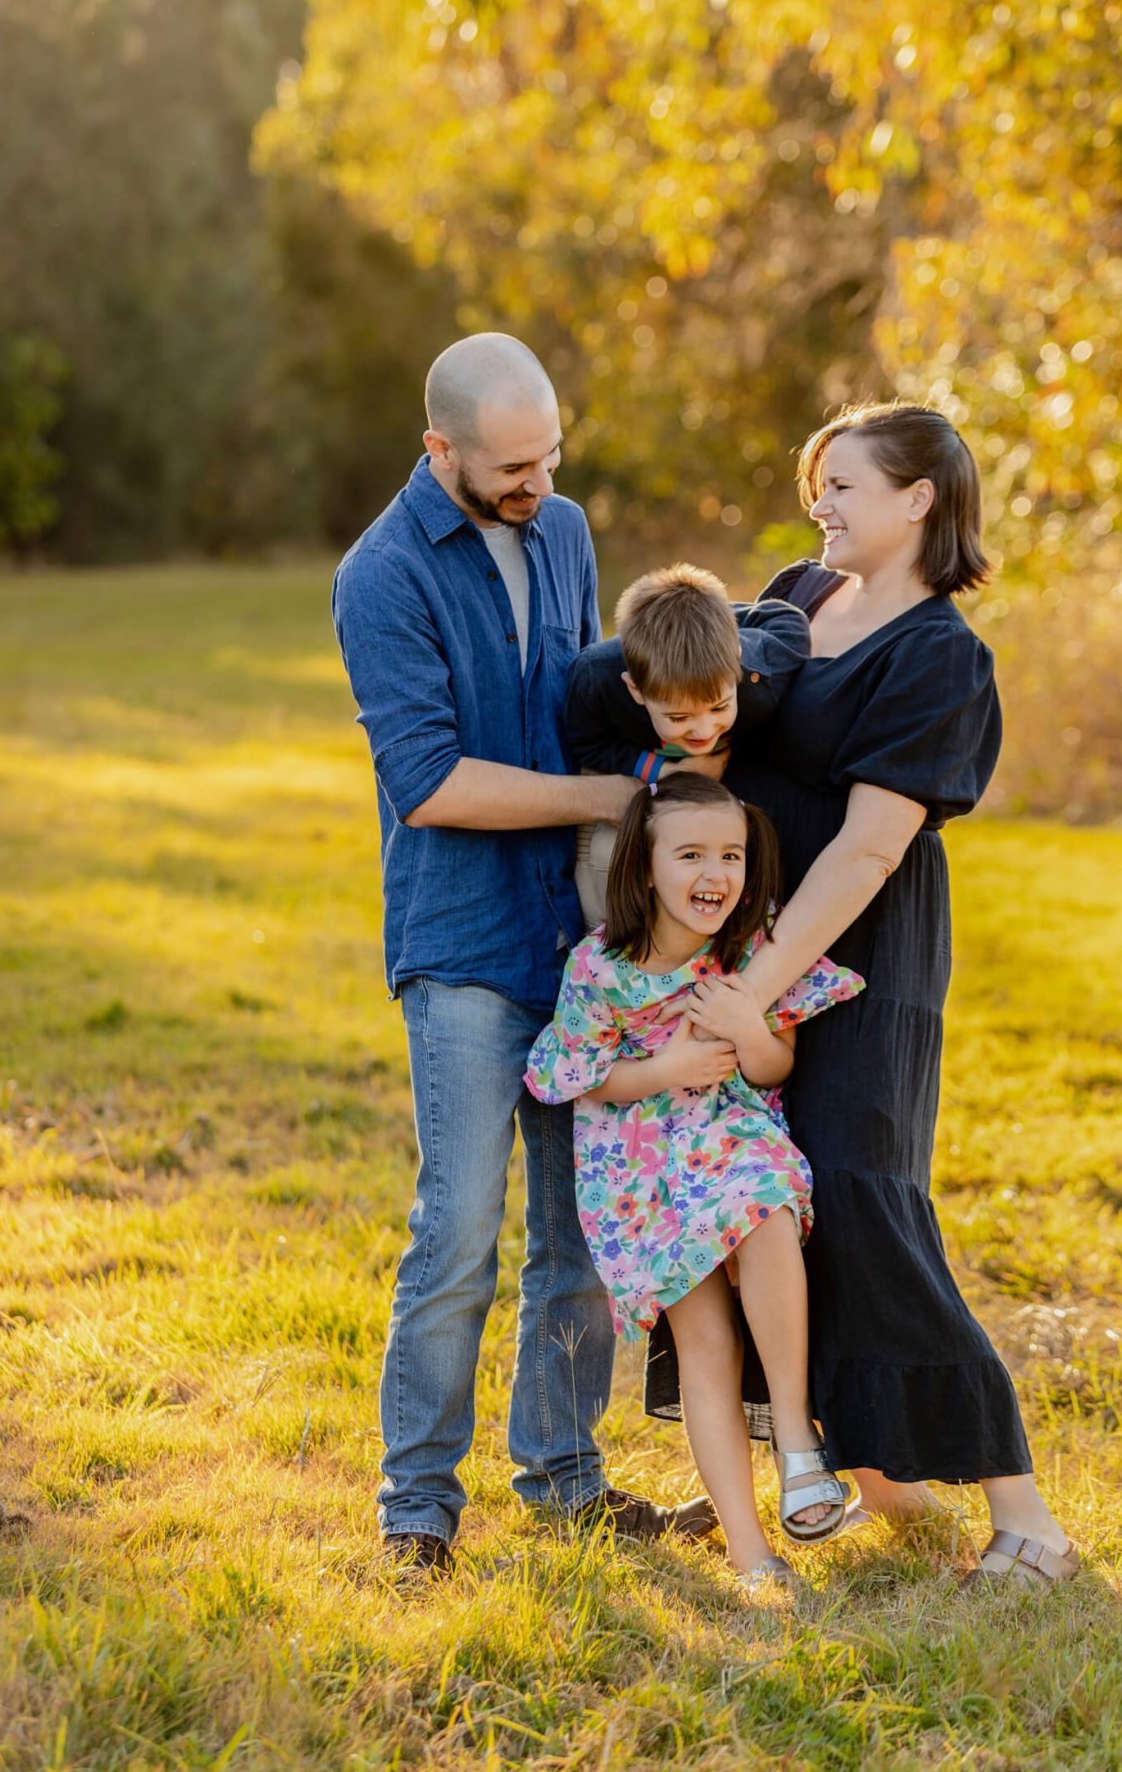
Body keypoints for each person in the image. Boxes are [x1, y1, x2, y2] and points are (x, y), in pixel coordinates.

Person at [331, 332, 713, 1579]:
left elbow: (578, 687)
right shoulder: (379, 575)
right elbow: (430, 780)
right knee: (459, 1228)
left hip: (578, 942)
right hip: (461, 943)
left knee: (582, 1228)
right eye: (509, 466)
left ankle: (563, 1478)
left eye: (550, 456)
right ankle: (417, 1507)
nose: (536, 485)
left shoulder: (563, 527)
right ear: (438, 448)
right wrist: (603, 797)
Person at [692, 402, 1080, 1591]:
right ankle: (853, 1472)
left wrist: (757, 992)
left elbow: (865, 852)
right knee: (757, 1200)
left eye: (847, 483)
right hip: (745, 938)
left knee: (861, 1195)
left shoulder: (942, 657)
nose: (824, 502)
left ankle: (1030, 1523)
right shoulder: (795, 595)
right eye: (819, 480)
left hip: (861, 958)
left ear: (920, 500)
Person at [524, 774, 863, 1590]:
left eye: (732, 855)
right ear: (645, 869)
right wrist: (664, 1066)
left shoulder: (748, 952)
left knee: (767, 1211)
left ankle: (793, 1436)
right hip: (641, 1169)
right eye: (690, 855)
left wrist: (750, 1028)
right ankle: (750, 1555)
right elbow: (572, 1074)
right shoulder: (599, 966)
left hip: (726, 1138)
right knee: (704, 1344)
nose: (716, 874)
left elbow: (776, 1063)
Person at [565, 562, 810, 925]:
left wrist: (727, 625)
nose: (704, 730)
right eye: (679, 718)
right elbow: (589, 746)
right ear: (636, 689)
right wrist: (666, 771)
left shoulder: (761, 678)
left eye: (719, 708)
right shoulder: (594, 680)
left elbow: (788, 620)